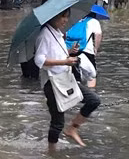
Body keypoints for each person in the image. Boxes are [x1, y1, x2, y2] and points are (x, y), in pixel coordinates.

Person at [34, 8, 101, 149]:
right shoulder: (44, 34)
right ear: (52, 17)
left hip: (65, 78)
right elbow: (39, 60)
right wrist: (64, 62)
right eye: (62, 17)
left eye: (67, 17)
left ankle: (72, 128)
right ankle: (51, 153)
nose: (65, 20)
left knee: (93, 100)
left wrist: (69, 52)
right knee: (57, 122)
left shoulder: (57, 33)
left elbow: (55, 54)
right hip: (52, 83)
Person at [65, 7, 105, 88]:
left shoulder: (69, 20)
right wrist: (96, 49)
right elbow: (98, 35)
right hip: (87, 51)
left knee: (71, 77)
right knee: (91, 76)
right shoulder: (94, 21)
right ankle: (90, 92)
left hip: (70, 50)